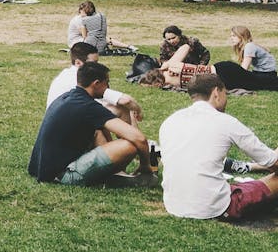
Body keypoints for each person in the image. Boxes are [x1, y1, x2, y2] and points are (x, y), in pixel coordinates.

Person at [159, 73, 278, 220]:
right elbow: (274, 163)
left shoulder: (170, 121)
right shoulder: (226, 122)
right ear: (216, 93)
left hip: (173, 204)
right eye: (225, 93)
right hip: (213, 208)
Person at [29, 62, 157, 186]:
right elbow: (139, 138)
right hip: (63, 175)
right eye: (107, 83)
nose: (108, 87)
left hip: (42, 169)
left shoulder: (68, 97)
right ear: (96, 84)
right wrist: (145, 165)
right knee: (130, 145)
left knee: (98, 129)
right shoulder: (88, 107)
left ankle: (116, 173)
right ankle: (115, 176)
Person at [47, 43, 142, 125]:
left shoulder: (66, 74)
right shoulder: (83, 78)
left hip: (57, 120)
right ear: (78, 63)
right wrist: (138, 111)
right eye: (94, 63)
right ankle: (134, 142)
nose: (97, 66)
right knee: (121, 109)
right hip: (67, 121)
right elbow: (125, 101)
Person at [211, 26, 278, 91]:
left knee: (228, 66)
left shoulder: (249, 46)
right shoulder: (248, 46)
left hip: (267, 75)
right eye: (231, 36)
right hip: (260, 73)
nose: (231, 38)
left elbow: (244, 69)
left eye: (234, 36)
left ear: (241, 36)